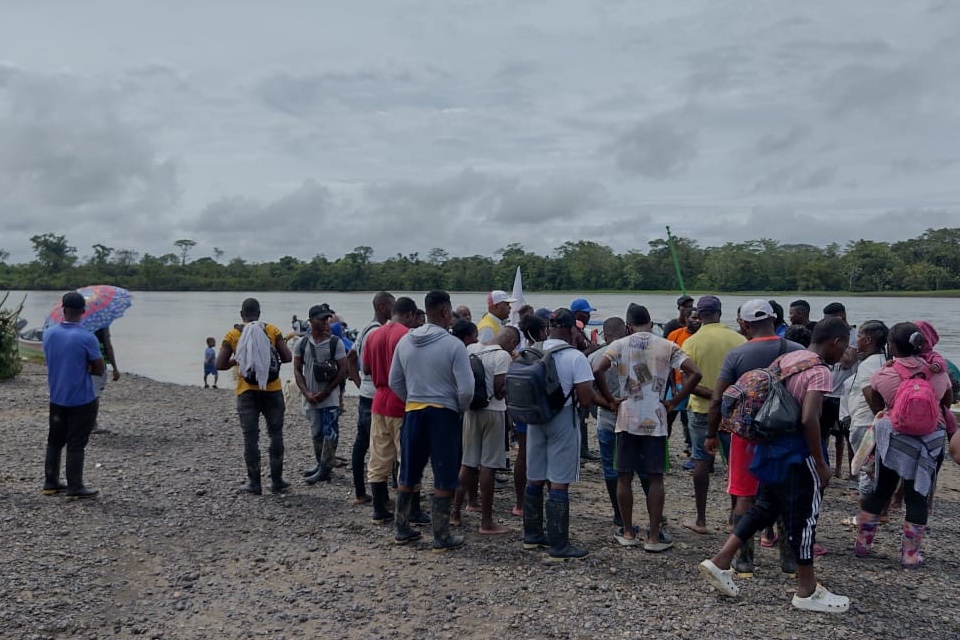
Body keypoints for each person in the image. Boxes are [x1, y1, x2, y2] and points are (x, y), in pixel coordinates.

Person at [699, 318, 851, 613]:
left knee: (765, 507)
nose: (844, 351)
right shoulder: (819, 371)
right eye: (844, 345)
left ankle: (721, 561)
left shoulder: (787, 359)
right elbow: (809, 419)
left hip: (769, 447)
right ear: (835, 341)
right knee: (804, 519)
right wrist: (820, 463)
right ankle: (807, 591)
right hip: (798, 453)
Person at [704, 300, 805, 577]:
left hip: (747, 437)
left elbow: (717, 399)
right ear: (774, 319)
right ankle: (788, 561)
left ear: (744, 324)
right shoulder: (797, 351)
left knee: (744, 497)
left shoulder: (737, 355)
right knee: (786, 496)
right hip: (787, 435)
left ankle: (745, 562)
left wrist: (712, 434)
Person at [594, 304, 701, 551]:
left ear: (629, 325)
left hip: (627, 417)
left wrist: (610, 398)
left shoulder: (619, 345)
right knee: (655, 477)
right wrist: (674, 401)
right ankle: (653, 537)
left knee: (624, 476)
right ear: (651, 323)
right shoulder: (667, 345)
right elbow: (695, 373)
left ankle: (629, 531)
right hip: (656, 419)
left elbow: (598, 369)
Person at [855, 322, 953, 567]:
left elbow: (876, 401)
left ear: (891, 346)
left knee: (881, 490)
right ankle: (910, 554)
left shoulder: (884, 374)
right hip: (929, 441)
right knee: (917, 495)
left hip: (894, 441)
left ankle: (863, 545)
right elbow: (948, 402)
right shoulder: (938, 372)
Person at [389, 291, 474, 551]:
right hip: (442, 413)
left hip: (413, 410)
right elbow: (467, 388)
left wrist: (412, 399)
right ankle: (441, 535)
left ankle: (401, 527)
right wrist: (457, 408)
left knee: (408, 471)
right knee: (444, 474)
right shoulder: (453, 345)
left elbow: (395, 381)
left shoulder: (405, 341)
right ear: (446, 312)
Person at [521, 308, 595, 560]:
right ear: (571, 329)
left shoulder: (532, 350)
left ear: (549, 327)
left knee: (535, 476)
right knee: (560, 479)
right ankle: (559, 544)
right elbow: (585, 398)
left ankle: (531, 535)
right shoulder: (575, 357)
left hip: (533, 417)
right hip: (562, 417)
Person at [216, 298, 294, 495]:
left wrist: (238, 360)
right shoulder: (272, 330)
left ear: (241, 314)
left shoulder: (232, 334)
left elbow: (219, 364)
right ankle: (276, 481)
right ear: (259, 313)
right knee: (275, 434)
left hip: (247, 392)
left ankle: (254, 483)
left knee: (250, 438)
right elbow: (287, 357)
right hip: (273, 390)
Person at [680, 296, 743, 535]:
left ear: (699, 315)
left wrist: (714, 395)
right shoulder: (739, 339)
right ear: (719, 312)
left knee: (701, 461)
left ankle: (701, 519)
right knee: (734, 464)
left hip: (701, 410)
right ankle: (733, 519)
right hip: (733, 410)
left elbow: (688, 383)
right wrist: (725, 396)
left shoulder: (691, 342)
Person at [363, 297, 421, 526]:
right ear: (409, 315)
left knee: (378, 457)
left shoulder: (373, 335)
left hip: (379, 400)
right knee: (408, 457)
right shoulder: (406, 336)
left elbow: (365, 368)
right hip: (401, 401)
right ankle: (412, 510)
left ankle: (379, 509)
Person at [42, 292, 106, 499]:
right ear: (83, 312)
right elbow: (98, 369)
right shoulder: (87, 337)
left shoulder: (49, 333)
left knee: (54, 440)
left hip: (57, 396)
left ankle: (50, 482)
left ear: (63, 309)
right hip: (80, 399)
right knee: (76, 443)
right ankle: (75, 486)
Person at [457, 326, 520, 535]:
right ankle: (486, 522)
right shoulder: (502, 355)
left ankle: (455, 513)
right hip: (493, 412)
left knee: (467, 462)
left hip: (471, 410)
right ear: (511, 342)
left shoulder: (472, 348)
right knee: (488, 466)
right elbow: (500, 391)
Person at [346, 292, 395, 505]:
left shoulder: (365, 329)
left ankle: (360, 491)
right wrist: (365, 382)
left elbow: (351, 357)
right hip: (378, 395)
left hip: (366, 394)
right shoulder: (379, 332)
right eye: (393, 306)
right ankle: (380, 497)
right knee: (381, 446)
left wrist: (359, 383)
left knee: (362, 443)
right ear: (383, 307)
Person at [293, 304, 348, 484]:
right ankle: (320, 464)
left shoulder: (335, 342)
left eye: (327, 319)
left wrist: (327, 391)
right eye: (322, 319)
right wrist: (306, 392)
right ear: (311, 321)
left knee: (330, 432)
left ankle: (325, 469)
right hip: (310, 396)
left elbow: (342, 370)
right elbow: (297, 369)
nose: (326, 322)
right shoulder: (301, 343)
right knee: (316, 432)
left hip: (329, 396)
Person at [589, 317, 629, 526]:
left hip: (606, 419)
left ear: (605, 335)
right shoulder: (636, 355)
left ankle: (618, 512)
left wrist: (608, 403)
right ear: (627, 330)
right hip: (634, 421)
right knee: (636, 467)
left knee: (611, 468)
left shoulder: (596, 357)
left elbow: (588, 391)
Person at [511, 313, 549, 517]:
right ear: (542, 331)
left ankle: (520, 503)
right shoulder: (545, 352)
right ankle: (551, 500)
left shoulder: (519, 352)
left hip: (521, 410)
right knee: (548, 456)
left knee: (522, 454)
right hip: (541, 411)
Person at [845, 320, 889, 499]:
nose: (857, 339)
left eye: (860, 335)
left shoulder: (869, 365)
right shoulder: (882, 361)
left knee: (866, 469)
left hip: (866, 425)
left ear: (869, 339)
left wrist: (878, 417)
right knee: (874, 468)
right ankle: (875, 507)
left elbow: (871, 396)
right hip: (870, 423)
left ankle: (866, 510)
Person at [821, 302, 858, 478]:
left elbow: (847, 362)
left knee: (847, 434)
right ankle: (826, 467)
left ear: (840, 317)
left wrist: (838, 341)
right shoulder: (829, 335)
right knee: (823, 433)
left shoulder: (854, 336)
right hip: (826, 391)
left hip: (844, 394)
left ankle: (852, 472)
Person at [667, 309, 699, 461]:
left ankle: (691, 448)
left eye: (699, 318)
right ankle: (662, 449)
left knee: (689, 420)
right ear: (686, 319)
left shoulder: (701, 338)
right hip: (677, 384)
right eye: (693, 318)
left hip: (694, 386)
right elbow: (669, 364)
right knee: (668, 417)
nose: (697, 321)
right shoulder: (675, 335)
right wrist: (672, 386)